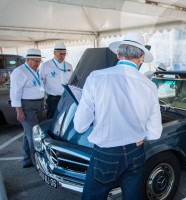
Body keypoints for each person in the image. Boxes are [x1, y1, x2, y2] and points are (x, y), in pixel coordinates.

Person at [73, 32, 163, 200]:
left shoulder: (96, 77)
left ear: (117, 53)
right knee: (132, 196)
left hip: (106, 151)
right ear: (141, 57)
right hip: (136, 150)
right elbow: (155, 132)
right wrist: (141, 136)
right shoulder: (149, 86)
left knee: (93, 196)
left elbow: (79, 125)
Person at [10, 48, 45, 168]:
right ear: (28, 60)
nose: (37, 63)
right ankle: (37, 163)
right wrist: (19, 111)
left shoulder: (35, 71)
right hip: (27, 106)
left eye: (39, 61)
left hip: (38, 104)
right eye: (35, 61)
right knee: (34, 135)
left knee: (28, 134)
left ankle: (27, 159)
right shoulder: (19, 72)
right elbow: (15, 93)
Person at [39, 42, 73, 119]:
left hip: (66, 97)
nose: (63, 56)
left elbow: (71, 81)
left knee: (65, 118)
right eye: (60, 54)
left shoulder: (69, 66)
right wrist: (43, 95)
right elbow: (40, 81)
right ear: (54, 53)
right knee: (52, 119)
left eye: (64, 54)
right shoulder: (46, 65)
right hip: (53, 98)